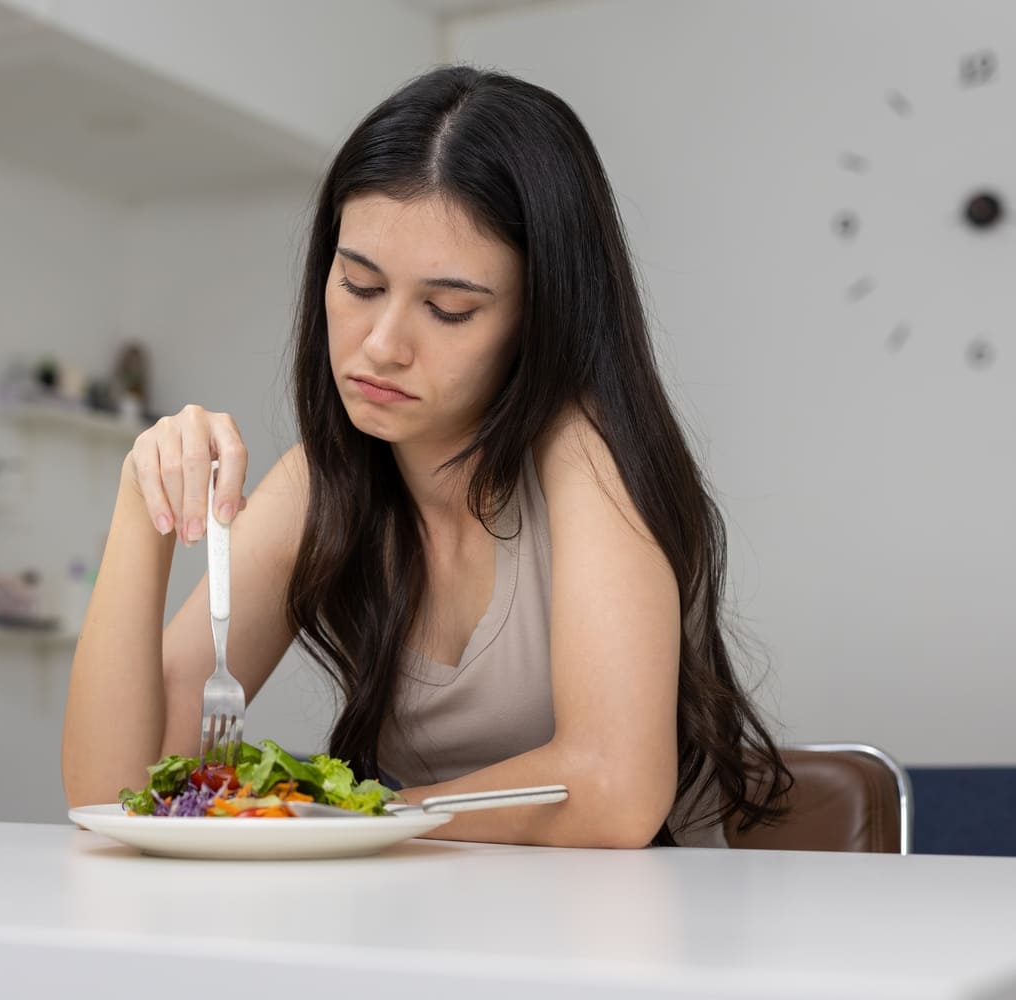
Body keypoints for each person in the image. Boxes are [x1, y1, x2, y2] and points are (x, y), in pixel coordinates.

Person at [61, 65, 790, 848]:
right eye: (359, 285)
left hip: (634, 911)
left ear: (539, 318)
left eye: (448, 309)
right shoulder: (319, 483)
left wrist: (345, 819)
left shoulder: (585, 453)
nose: (381, 346)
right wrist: (142, 504)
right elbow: (114, 794)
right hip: (427, 904)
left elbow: (612, 793)